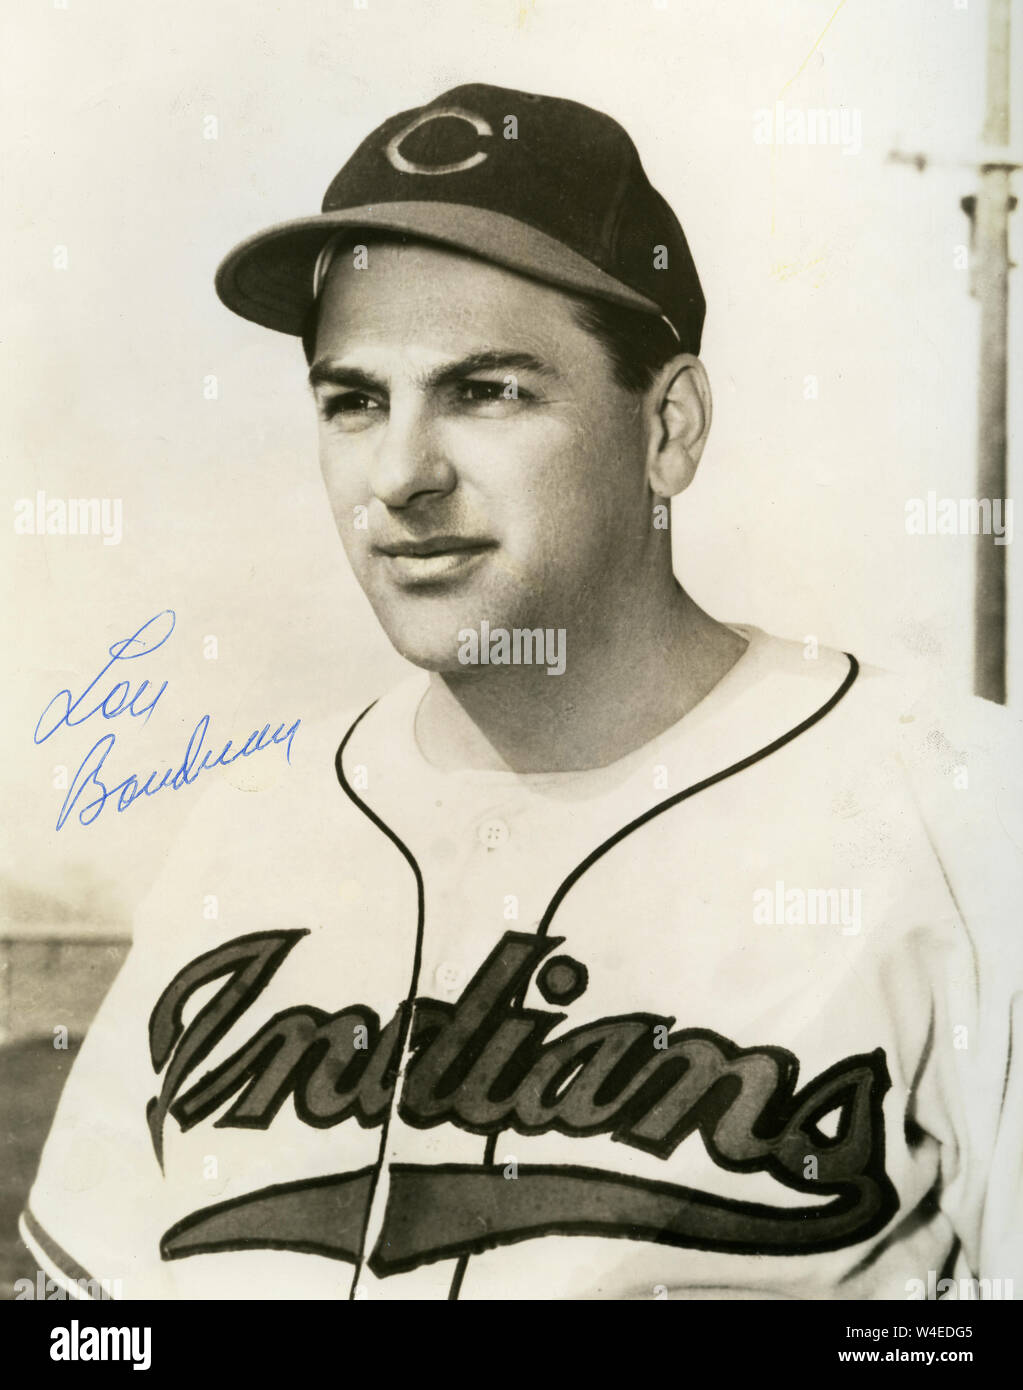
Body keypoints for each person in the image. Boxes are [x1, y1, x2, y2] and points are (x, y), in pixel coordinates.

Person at [21, 84, 1023, 1301]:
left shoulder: (968, 819)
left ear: (670, 429)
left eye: (486, 390)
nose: (399, 474)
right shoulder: (247, 833)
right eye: (354, 402)